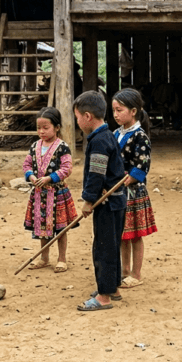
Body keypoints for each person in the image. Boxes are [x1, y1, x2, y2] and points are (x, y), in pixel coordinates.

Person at [74, 91, 126, 311]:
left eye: (77, 117)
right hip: (117, 202)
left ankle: (104, 297)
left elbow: (96, 175)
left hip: (107, 203)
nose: (76, 122)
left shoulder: (99, 142)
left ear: (87, 116)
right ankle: (112, 287)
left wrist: (88, 200)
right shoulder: (107, 136)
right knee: (112, 245)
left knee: (104, 248)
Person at [111, 88, 157, 289]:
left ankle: (136, 274)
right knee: (123, 234)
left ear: (133, 111)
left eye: (119, 110)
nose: (115, 114)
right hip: (118, 190)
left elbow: (142, 165)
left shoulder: (140, 136)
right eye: (113, 110)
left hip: (133, 191)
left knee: (136, 234)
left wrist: (128, 179)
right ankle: (124, 270)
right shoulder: (115, 133)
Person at [23, 107, 76, 272]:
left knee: (60, 227)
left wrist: (48, 178)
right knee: (42, 227)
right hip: (40, 194)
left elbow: (67, 168)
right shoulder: (34, 146)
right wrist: (31, 177)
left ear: (57, 127)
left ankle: (62, 259)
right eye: (39, 128)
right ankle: (44, 258)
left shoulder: (62, 147)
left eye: (46, 128)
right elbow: (26, 165)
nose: (41, 131)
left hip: (57, 193)